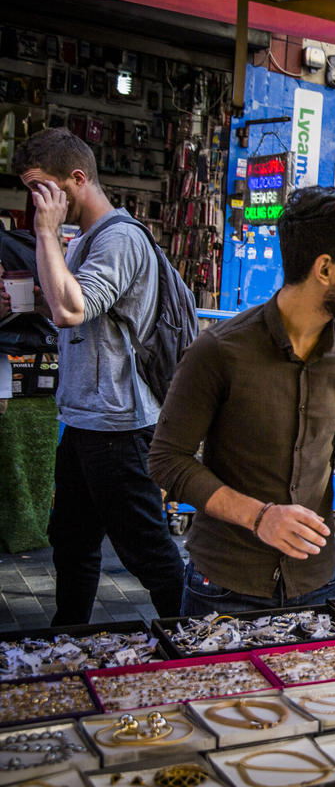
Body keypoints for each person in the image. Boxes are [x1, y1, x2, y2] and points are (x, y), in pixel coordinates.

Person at [149, 186, 335, 614]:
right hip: (223, 584)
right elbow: (168, 460)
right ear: (324, 268)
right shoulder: (220, 350)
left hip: (315, 583)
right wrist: (260, 516)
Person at [10, 128, 184, 624]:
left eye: (44, 187)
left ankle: (190, 638)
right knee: (72, 541)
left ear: (77, 179)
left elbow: (72, 309)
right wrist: (27, 301)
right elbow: (72, 306)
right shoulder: (87, 239)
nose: (38, 199)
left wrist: (44, 232)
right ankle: (69, 634)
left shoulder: (120, 238)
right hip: (87, 420)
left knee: (147, 551)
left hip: (118, 426)